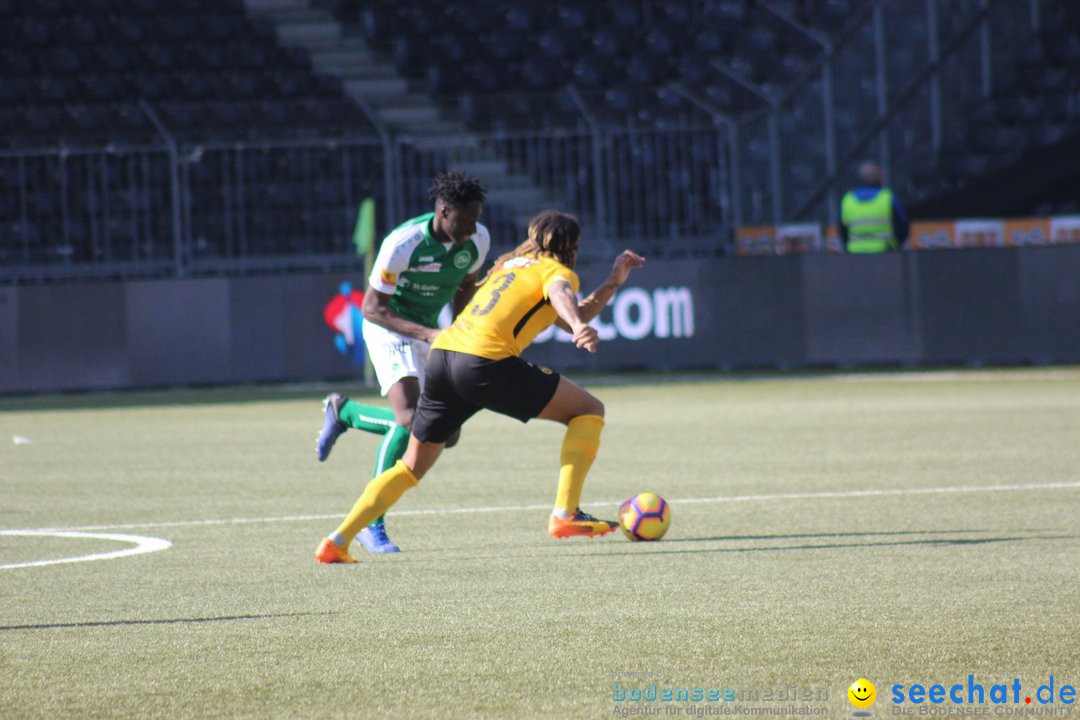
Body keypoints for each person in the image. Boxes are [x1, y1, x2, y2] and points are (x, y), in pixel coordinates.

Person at [314, 210, 646, 564]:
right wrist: (579, 324)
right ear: (572, 248)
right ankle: (565, 514)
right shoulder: (557, 272)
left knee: (410, 466)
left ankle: (338, 540)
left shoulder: (508, 266)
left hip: (444, 357)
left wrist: (613, 281)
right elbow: (562, 293)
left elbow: (563, 311)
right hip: (486, 363)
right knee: (588, 410)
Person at [314, 170, 490, 553]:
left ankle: (345, 412)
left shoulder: (477, 239)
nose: (473, 228)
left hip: (430, 332)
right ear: (444, 211)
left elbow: (465, 287)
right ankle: (370, 524)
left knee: (447, 434)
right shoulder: (403, 243)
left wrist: (460, 334)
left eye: (477, 218)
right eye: (465, 219)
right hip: (390, 327)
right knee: (411, 419)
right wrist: (429, 334)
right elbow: (372, 308)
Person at [839, 161, 910, 253]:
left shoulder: (848, 200)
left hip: (855, 253)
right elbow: (903, 225)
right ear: (879, 177)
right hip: (885, 252)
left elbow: (842, 229)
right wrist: (897, 245)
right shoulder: (887, 198)